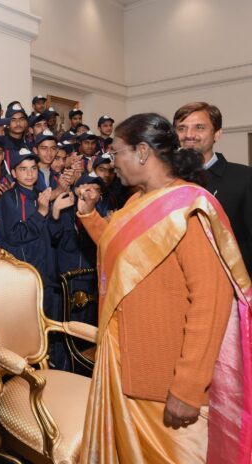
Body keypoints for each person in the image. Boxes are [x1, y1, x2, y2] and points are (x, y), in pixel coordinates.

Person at [77, 113, 250, 463]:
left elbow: (211, 302)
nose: (112, 164)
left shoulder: (189, 207)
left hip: (164, 374)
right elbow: (125, 257)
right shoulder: (136, 200)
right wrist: (89, 217)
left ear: (142, 152)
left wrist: (188, 387)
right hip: (123, 359)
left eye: (116, 153)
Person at [173, 101, 252, 274]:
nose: (189, 135)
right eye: (182, 128)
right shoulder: (166, 181)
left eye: (199, 127)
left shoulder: (244, 178)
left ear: (217, 134)